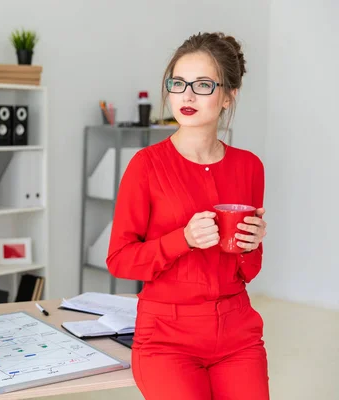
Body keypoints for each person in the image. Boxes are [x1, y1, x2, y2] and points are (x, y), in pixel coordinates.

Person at [106, 32, 269, 400]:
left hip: (237, 333)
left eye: (203, 84)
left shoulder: (250, 167)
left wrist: (251, 244)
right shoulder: (145, 166)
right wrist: (183, 239)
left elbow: (248, 269)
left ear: (229, 95)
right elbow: (119, 259)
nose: (187, 95)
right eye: (178, 83)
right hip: (166, 339)